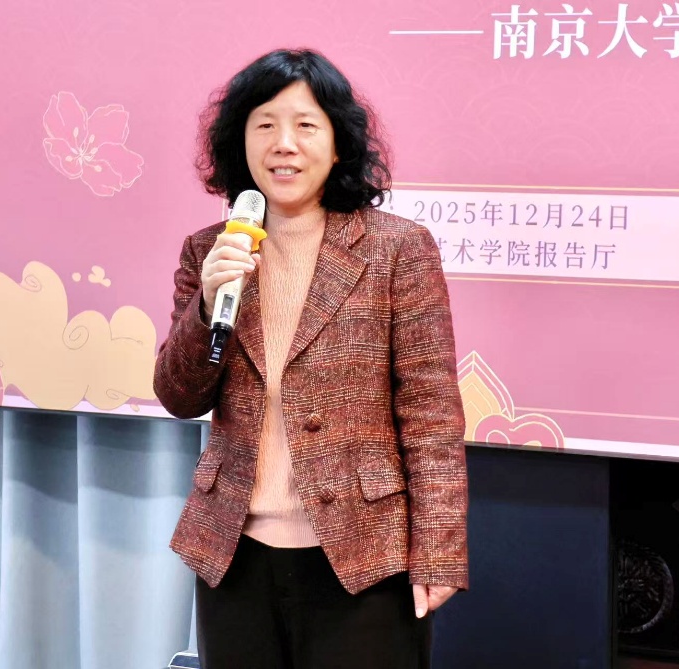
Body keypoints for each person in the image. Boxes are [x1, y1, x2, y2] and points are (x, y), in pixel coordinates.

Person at [153, 48, 468, 669]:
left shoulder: (397, 249)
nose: (284, 144)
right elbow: (179, 396)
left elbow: (431, 412)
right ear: (239, 142)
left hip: (364, 555)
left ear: (338, 142)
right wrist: (207, 303)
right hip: (234, 555)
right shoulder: (210, 251)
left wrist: (438, 551)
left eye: (305, 125)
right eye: (265, 125)